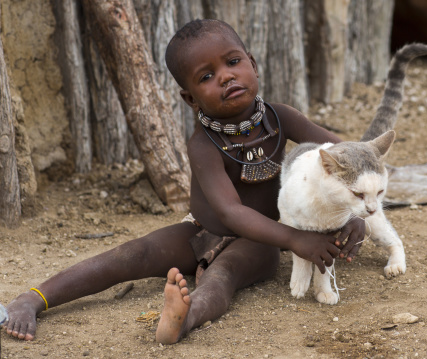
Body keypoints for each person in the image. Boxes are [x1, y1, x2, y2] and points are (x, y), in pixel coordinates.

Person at [2, 19, 365, 345]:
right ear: (190, 98)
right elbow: (230, 212)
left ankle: (183, 319)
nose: (225, 76)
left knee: (223, 274)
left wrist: (353, 215)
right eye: (206, 77)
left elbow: (345, 159)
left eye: (233, 61)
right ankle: (34, 297)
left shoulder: (280, 118)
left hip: (262, 240)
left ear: (252, 63)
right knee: (133, 253)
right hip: (201, 231)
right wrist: (297, 239)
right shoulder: (204, 144)